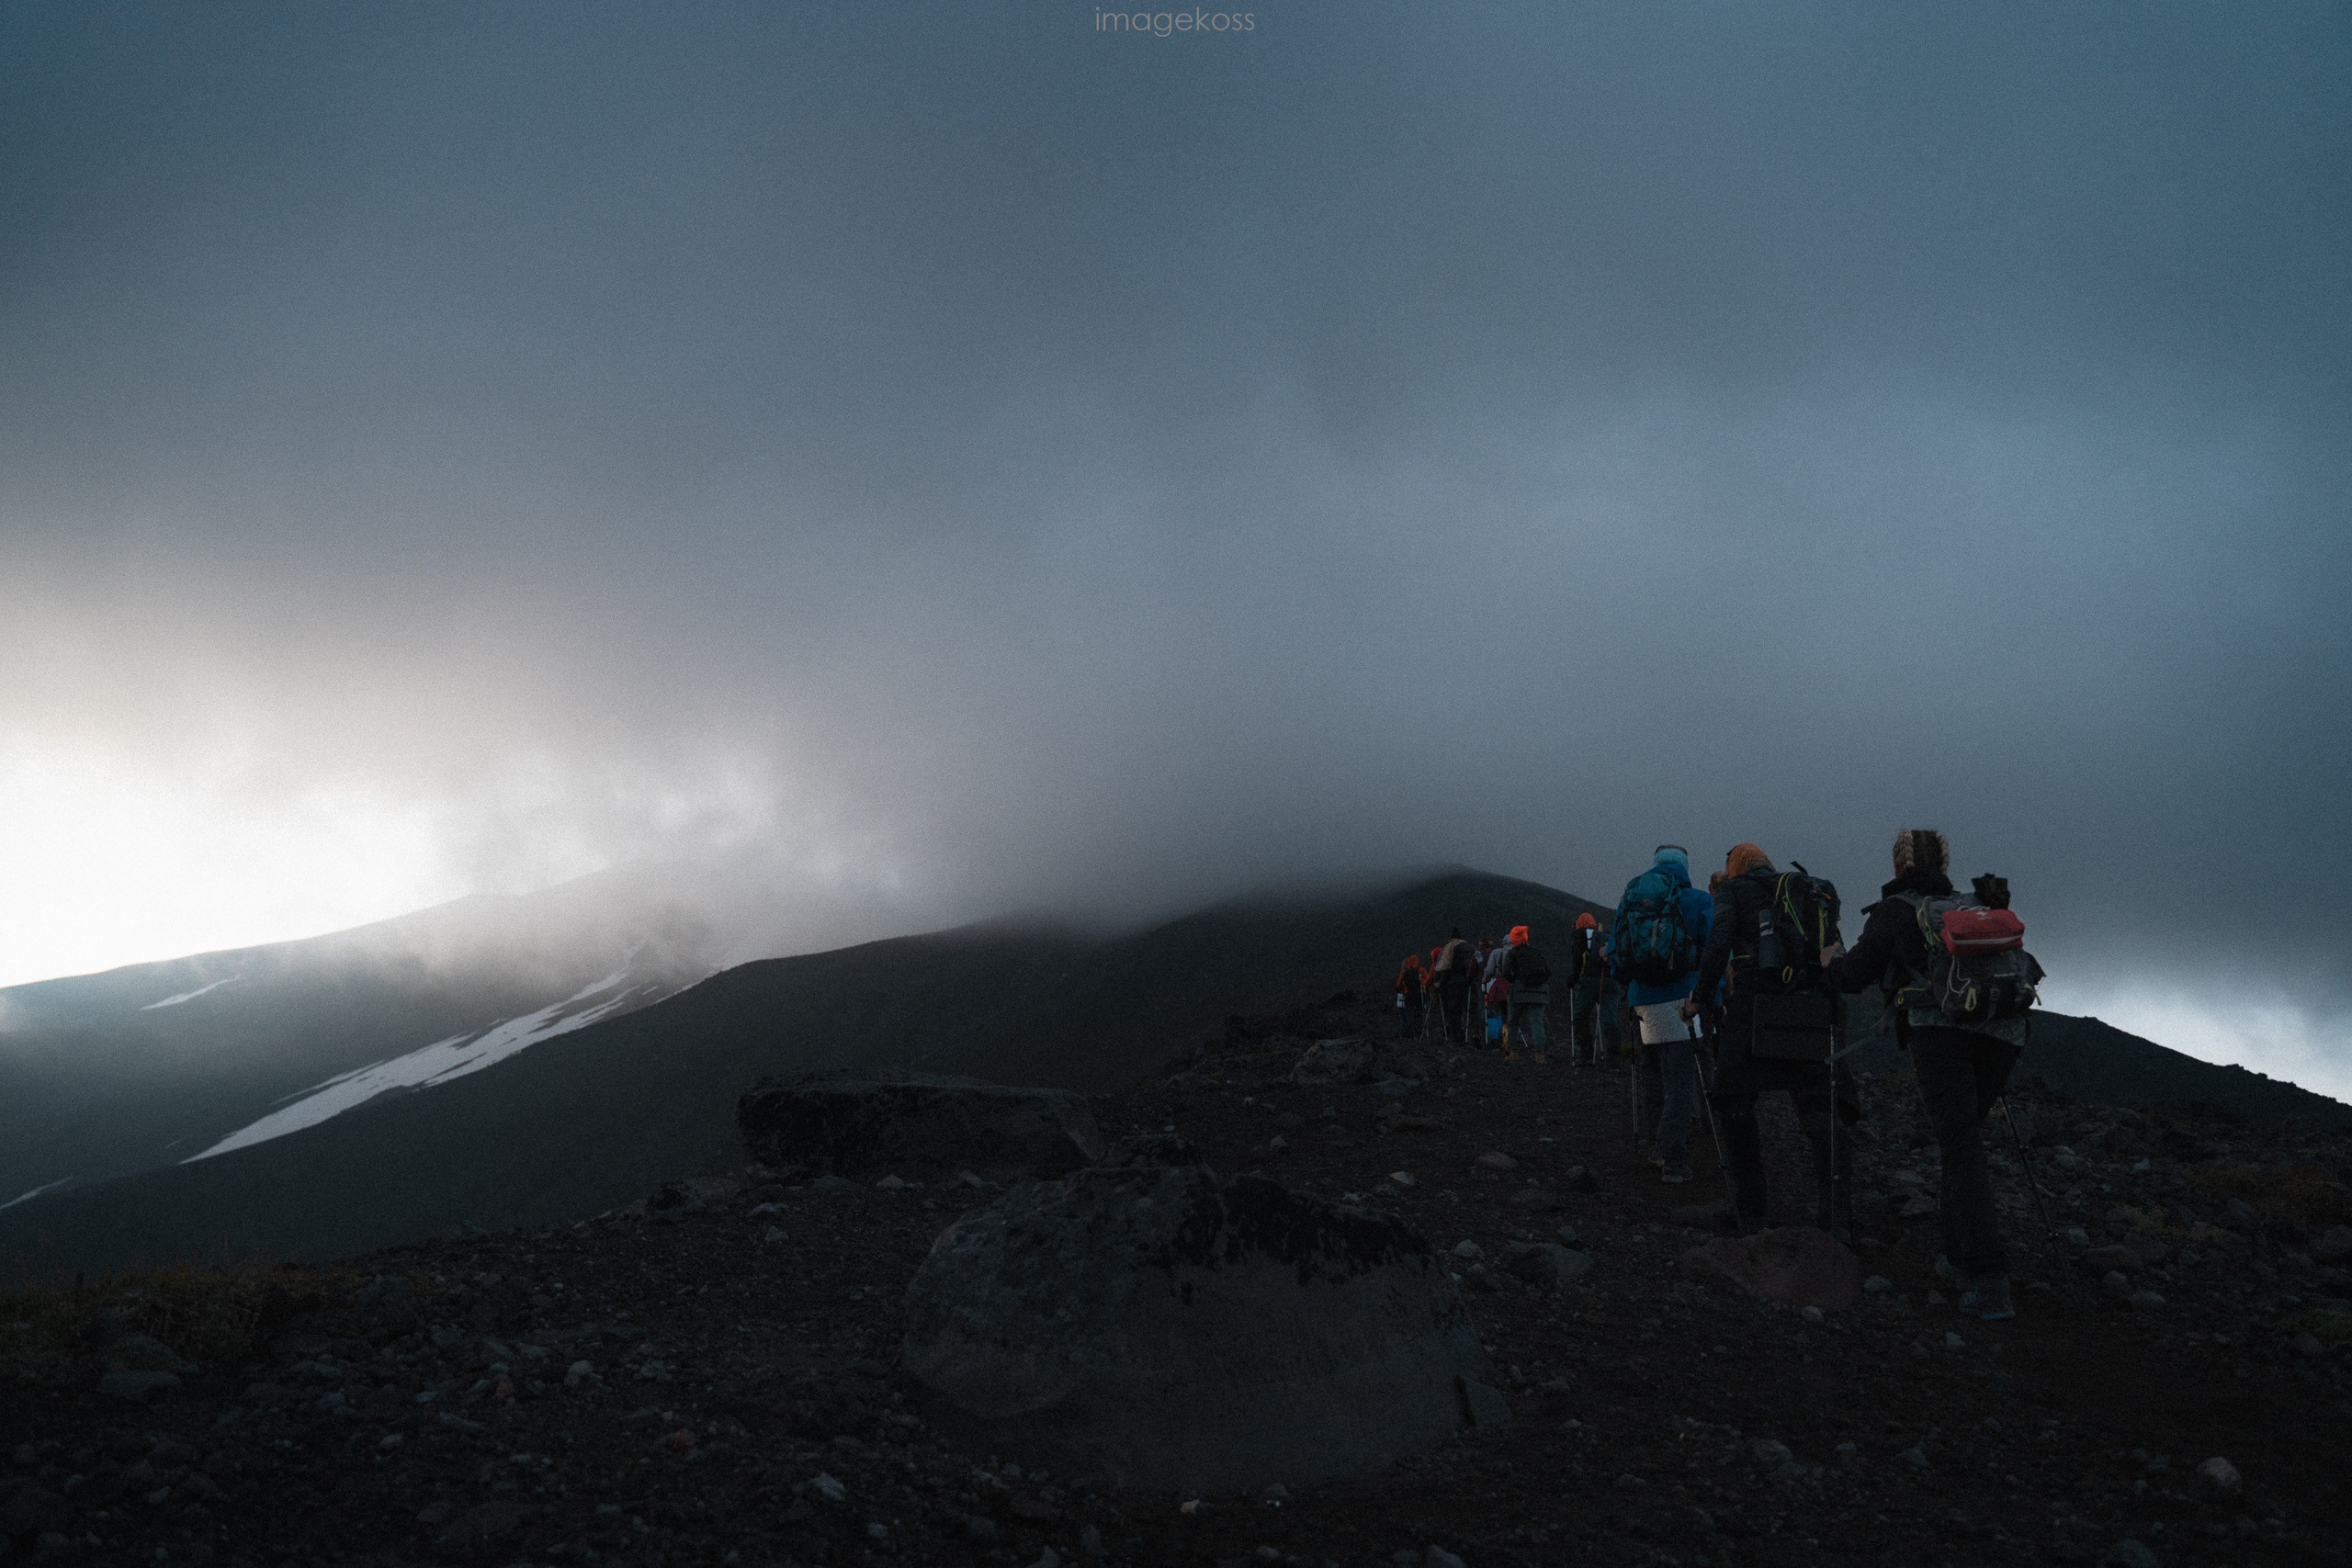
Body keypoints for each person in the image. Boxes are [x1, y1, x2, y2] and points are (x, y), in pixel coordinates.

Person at [1822, 829, 2026, 1322]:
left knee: (1959, 1146)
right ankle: (1957, 1254)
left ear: (1897, 865)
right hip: (2006, 1028)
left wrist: (1829, 957)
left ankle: (1988, 1277)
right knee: (1964, 1139)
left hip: (1942, 1031)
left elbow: (1853, 977)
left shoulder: (1897, 910)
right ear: (1946, 862)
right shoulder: (1971, 902)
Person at [1681, 842, 1853, 1236]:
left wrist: (1699, 999)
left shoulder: (1734, 890)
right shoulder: (1809, 887)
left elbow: (1718, 944)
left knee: (1735, 1102)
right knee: (1821, 1110)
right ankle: (1837, 1222)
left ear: (1735, 866)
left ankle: (1751, 1214)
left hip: (1755, 1006)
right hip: (1812, 1006)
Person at [1611, 845, 1713, 1182]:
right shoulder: (1698, 900)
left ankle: (1657, 1145)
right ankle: (1672, 1157)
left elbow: (1615, 953)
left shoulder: (1632, 899)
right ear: (1685, 866)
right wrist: (1713, 997)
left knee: (1652, 1073)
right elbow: (1713, 955)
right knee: (1681, 1081)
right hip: (1685, 1001)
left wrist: (1633, 991)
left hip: (1643, 1001)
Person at [1500, 924, 1552, 1064]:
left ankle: (1514, 1053)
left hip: (1519, 992)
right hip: (1539, 992)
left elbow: (1505, 972)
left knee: (1513, 1022)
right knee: (1537, 1022)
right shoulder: (1537, 952)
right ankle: (1539, 1055)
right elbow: (1548, 971)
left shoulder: (1512, 953)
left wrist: (1516, 982)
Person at [1566, 913, 1607, 1066]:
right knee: (1607, 1018)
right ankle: (1612, 1059)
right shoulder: (1603, 935)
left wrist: (1573, 978)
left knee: (1580, 1015)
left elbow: (1577, 958)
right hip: (1607, 978)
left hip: (1589, 978)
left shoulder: (1580, 935)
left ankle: (1586, 1054)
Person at [1431, 928, 1476, 1043]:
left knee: (1453, 1010)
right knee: (1467, 1009)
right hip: (1467, 982)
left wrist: (1440, 983)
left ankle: (1454, 1036)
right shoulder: (1468, 948)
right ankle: (1471, 1035)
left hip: (1452, 983)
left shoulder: (1450, 947)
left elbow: (1443, 966)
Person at [1393, 953, 1427, 1041]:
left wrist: (1400, 990)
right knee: (1419, 1013)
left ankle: (1410, 1033)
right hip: (1419, 995)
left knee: (1409, 1013)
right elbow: (1426, 981)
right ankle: (1419, 1032)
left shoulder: (1404, 971)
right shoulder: (1421, 970)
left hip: (1408, 994)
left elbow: (1397, 985)